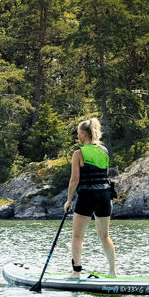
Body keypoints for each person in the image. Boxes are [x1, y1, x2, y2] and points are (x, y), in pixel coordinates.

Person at [62, 118, 117, 279]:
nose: (77, 136)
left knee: (77, 236)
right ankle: (113, 271)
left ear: (84, 134)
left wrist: (68, 200)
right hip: (104, 196)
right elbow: (105, 175)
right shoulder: (104, 151)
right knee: (105, 236)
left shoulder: (78, 153)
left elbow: (74, 180)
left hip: (87, 196)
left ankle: (76, 272)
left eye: (78, 133)